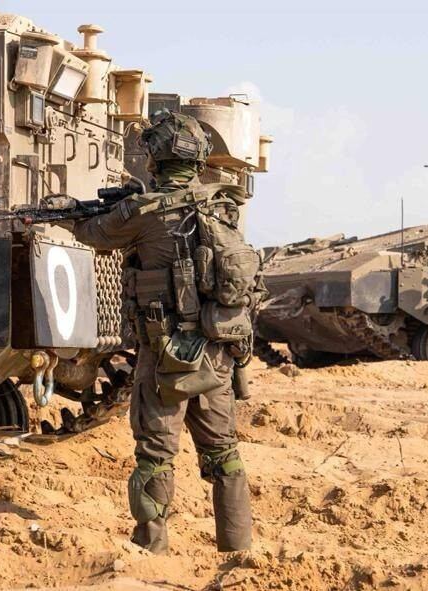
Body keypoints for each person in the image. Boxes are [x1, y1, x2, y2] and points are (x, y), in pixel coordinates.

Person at [72, 110, 257, 555]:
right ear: (199, 161)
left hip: (165, 357)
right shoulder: (224, 207)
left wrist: (77, 213)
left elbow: (93, 234)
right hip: (217, 354)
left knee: (155, 456)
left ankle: (151, 550)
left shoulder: (144, 212)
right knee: (223, 454)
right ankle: (237, 549)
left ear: (154, 159)